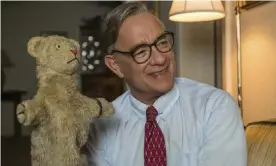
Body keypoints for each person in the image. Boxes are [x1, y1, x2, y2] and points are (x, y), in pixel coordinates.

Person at [87, 2, 247, 166]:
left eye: (162, 43)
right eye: (141, 52)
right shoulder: (101, 129)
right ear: (115, 65)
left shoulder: (215, 108)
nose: (160, 59)